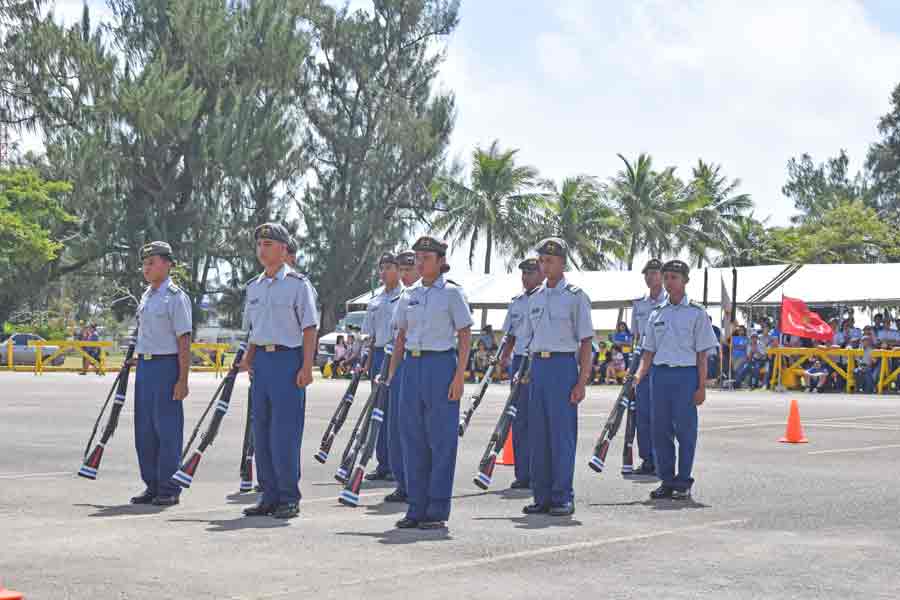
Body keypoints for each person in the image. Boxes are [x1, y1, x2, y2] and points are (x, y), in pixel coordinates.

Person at [387, 236, 472, 530]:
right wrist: (393, 373)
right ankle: (416, 507)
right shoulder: (408, 294)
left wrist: (459, 376)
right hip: (412, 366)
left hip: (440, 365)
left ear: (440, 261)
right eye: (418, 258)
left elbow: (464, 335)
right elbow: (400, 336)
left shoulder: (452, 294)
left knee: (441, 441)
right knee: (412, 440)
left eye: (426, 258)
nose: (420, 263)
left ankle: (436, 509)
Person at [240, 223, 318, 520]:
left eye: (268, 244)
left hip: (288, 361)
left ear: (284, 249)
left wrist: (307, 366)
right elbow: (253, 330)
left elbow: (309, 328)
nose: (262, 250)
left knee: (284, 432)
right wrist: (249, 359)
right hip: (262, 362)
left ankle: (288, 497)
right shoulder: (254, 286)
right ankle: (268, 495)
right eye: (260, 244)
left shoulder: (298, 284)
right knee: (261, 432)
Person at [634, 259, 718, 501]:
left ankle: (683, 480)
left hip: (685, 375)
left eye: (674, 277)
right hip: (659, 375)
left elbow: (702, 354)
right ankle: (667, 480)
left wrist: (701, 387)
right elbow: (648, 351)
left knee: (685, 431)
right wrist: (639, 375)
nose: (669, 282)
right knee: (660, 430)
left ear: (685, 281)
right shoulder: (656, 313)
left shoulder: (697, 313)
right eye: (666, 277)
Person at [521, 237, 593, 518]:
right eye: (541, 260)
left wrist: (582, 382)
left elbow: (586, 341)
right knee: (538, 436)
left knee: (561, 436)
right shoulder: (534, 297)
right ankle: (541, 497)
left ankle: (562, 497)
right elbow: (529, 339)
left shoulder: (576, 297)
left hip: (563, 367)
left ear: (563, 263)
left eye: (550, 260)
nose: (544, 265)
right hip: (538, 367)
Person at [130, 241, 192, 507]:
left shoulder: (175, 297)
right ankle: (152, 484)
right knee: (144, 430)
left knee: (167, 430)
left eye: (151, 262)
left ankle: (168, 487)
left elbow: (184, 340)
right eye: (144, 263)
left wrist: (183, 379)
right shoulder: (146, 295)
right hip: (145, 367)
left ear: (167, 264)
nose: (146, 268)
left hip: (167, 367)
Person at [498, 256, 543, 489]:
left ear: (541, 274)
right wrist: (503, 358)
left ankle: (538, 473)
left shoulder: (546, 298)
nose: (525, 277)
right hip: (518, 361)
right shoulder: (516, 302)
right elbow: (510, 335)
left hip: (538, 360)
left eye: (530, 273)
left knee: (537, 419)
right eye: (523, 273)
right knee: (518, 417)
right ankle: (522, 473)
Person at [361, 252, 404, 482]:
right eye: (382, 268)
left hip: (397, 356)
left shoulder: (405, 297)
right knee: (378, 411)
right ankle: (383, 463)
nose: (384, 272)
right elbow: (369, 335)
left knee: (395, 412)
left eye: (389, 267)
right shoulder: (375, 301)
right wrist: (366, 360)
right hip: (378, 356)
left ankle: (397, 464)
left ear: (398, 270)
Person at [383, 249, 420, 503]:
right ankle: (402, 483)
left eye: (409, 269)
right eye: (402, 270)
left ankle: (416, 483)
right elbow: (398, 340)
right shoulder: (403, 298)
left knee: (416, 430)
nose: (405, 274)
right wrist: (391, 374)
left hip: (421, 363)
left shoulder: (430, 295)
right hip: (401, 364)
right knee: (396, 428)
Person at [629, 258, 666, 476]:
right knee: (642, 413)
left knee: (662, 414)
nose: (650, 277)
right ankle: (648, 460)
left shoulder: (670, 303)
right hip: (643, 362)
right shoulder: (639, 305)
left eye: (654, 273)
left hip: (663, 362)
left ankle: (663, 460)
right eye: (647, 273)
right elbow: (636, 337)